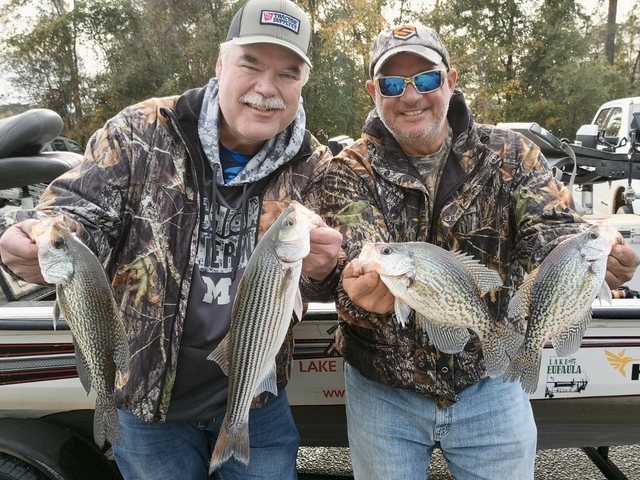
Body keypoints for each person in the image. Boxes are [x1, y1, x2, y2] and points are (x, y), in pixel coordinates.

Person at [0, 0, 342, 478]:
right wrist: (44, 237)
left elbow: (335, 279)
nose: (267, 88)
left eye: (288, 73)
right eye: (251, 64)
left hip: (254, 398)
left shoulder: (316, 165)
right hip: (145, 406)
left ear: (303, 83)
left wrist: (327, 267)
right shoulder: (140, 131)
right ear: (220, 63)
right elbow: (80, 210)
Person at [316, 24, 640, 480]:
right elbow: (346, 263)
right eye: (392, 84)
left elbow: (551, 228)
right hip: (381, 390)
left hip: (490, 381)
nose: (411, 96)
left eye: (426, 79)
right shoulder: (348, 170)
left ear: (450, 80)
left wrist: (585, 260)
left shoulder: (510, 155)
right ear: (374, 91)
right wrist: (359, 295)